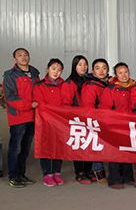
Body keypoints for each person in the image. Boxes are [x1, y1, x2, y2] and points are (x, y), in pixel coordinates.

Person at [3, 48, 40, 188]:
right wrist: (29, 105)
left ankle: (21, 174)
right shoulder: (10, 75)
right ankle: (13, 176)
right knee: (15, 149)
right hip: (18, 117)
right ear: (14, 59)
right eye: (19, 55)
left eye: (25, 55)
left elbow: (39, 92)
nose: (23, 57)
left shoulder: (35, 73)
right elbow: (10, 97)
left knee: (25, 149)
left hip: (32, 117)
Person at [99, 62, 136, 190]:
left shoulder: (133, 87)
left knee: (128, 152)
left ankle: (128, 177)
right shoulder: (110, 89)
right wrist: (109, 125)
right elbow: (105, 109)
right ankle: (114, 179)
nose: (124, 75)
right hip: (116, 125)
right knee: (115, 153)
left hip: (130, 125)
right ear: (116, 75)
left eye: (126, 72)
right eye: (120, 73)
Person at [61, 55, 93, 184]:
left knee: (89, 144)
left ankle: (88, 170)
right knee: (79, 146)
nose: (83, 67)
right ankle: (79, 173)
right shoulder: (69, 83)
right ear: (74, 66)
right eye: (80, 64)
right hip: (77, 119)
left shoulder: (88, 80)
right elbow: (66, 103)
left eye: (85, 64)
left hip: (89, 118)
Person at [34, 58, 65, 187]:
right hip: (45, 121)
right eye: (53, 69)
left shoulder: (64, 85)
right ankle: (47, 174)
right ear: (48, 69)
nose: (56, 72)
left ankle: (57, 172)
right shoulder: (39, 85)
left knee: (59, 147)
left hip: (61, 122)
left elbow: (66, 102)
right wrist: (51, 117)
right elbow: (41, 104)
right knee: (46, 147)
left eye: (59, 70)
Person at [81, 58, 110, 185]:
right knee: (97, 147)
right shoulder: (91, 86)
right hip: (96, 121)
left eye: (104, 68)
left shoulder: (108, 84)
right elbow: (88, 107)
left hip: (107, 120)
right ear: (93, 71)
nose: (101, 71)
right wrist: (95, 121)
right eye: (97, 68)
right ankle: (99, 172)